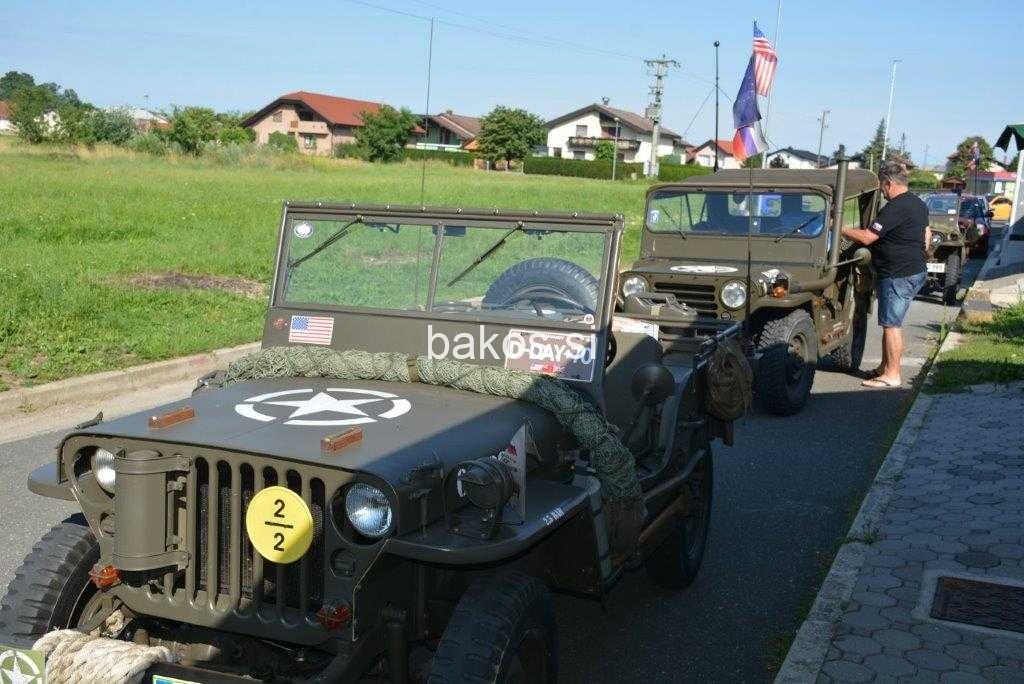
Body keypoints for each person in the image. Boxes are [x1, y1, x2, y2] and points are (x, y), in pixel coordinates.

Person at [841, 161, 928, 388]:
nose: (881, 190)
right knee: (890, 323)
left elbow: (868, 237)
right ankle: (884, 367)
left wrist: (839, 228)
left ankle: (892, 375)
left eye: (881, 185)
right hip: (913, 270)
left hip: (898, 275)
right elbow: (926, 236)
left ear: (888, 183)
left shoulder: (895, 207)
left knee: (891, 325)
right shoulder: (918, 204)